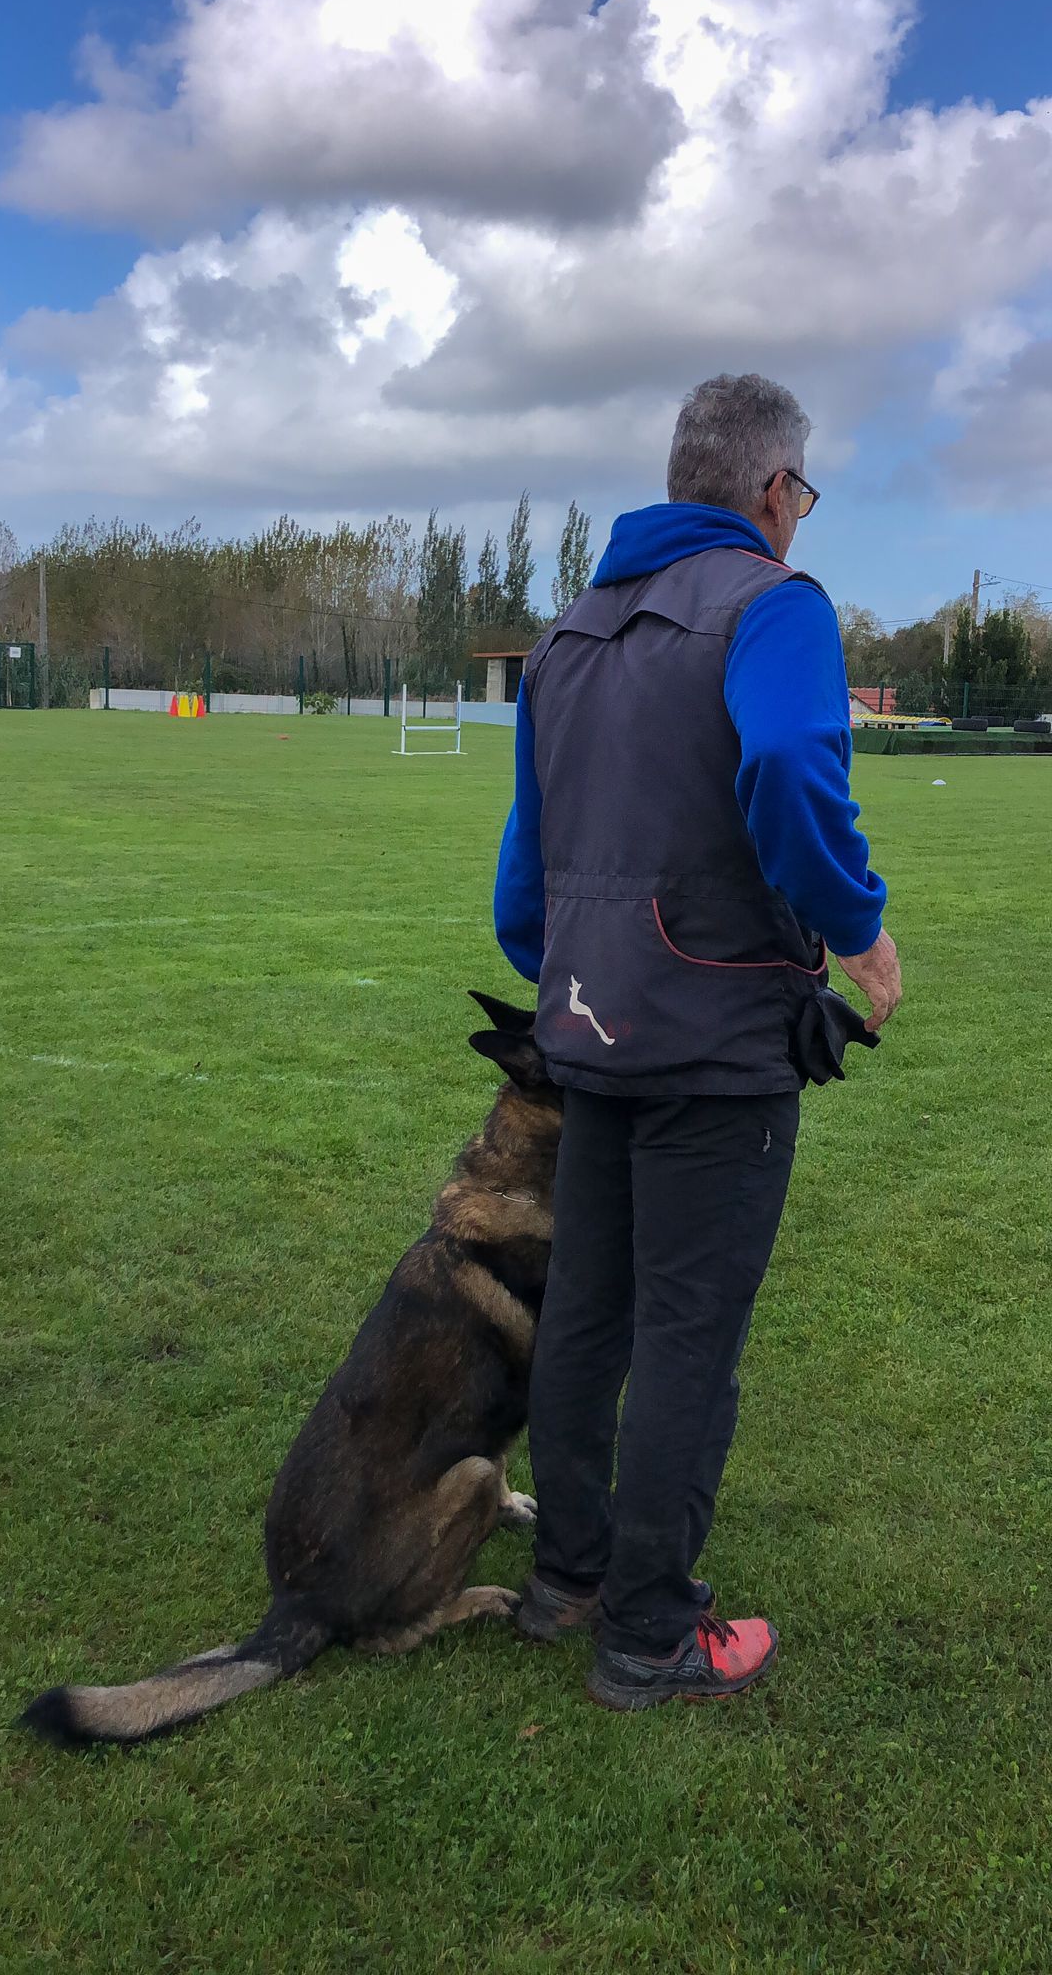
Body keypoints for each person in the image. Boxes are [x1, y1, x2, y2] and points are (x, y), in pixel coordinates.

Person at [493, 373, 901, 1712]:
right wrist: (855, 926)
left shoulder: (568, 636)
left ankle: (565, 1581)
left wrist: (592, 979)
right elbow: (789, 764)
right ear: (776, 495)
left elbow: (520, 896)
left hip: (589, 1033)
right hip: (718, 1045)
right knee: (683, 1334)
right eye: (807, 495)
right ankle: (651, 1632)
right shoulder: (774, 607)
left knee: (591, 1315)